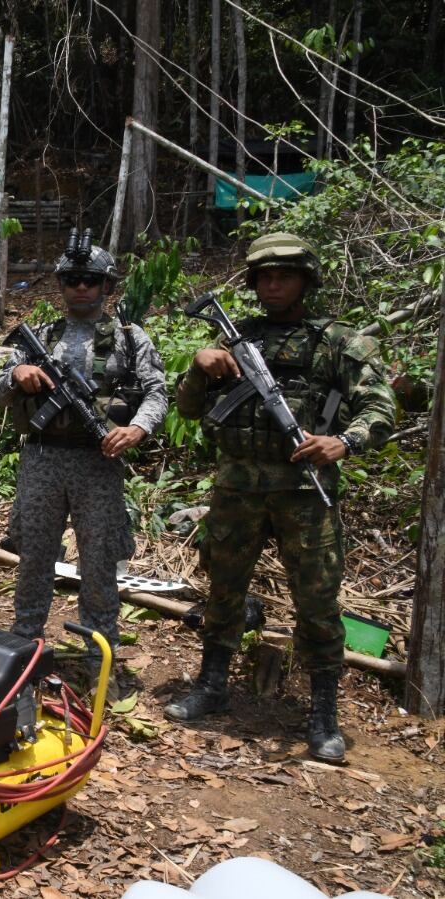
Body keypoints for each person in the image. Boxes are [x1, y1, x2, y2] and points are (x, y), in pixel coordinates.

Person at [164, 232, 395, 764]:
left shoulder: (337, 341)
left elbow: (379, 407)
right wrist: (200, 367)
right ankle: (212, 683)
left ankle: (322, 713)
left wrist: (344, 441)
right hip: (238, 490)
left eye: (284, 275)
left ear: (305, 281)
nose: (273, 284)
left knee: (317, 603)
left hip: (303, 495)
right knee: (222, 590)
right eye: (264, 276)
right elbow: (192, 410)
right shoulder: (232, 338)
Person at [0, 239, 167, 675]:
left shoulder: (130, 338)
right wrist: (17, 374)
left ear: (106, 285)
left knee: (98, 560)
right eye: (72, 280)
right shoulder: (43, 336)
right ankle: (26, 643)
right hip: (42, 459)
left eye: (91, 280)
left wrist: (136, 429)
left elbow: (156, 392)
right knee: (34, 556)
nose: (81, 288)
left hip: (98, 462)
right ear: (61, 285)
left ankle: (99, 652)